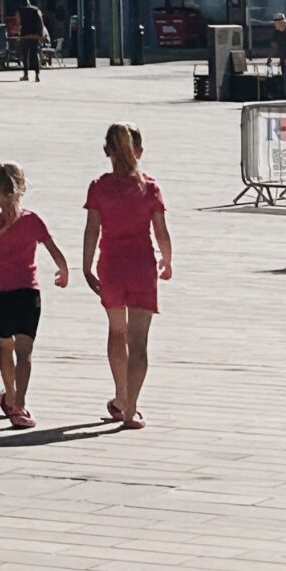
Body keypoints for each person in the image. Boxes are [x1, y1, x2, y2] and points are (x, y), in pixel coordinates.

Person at [0, 162, 69, 429]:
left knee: (5, 345)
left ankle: (10, 396)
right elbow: (54, 250)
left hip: (1, 293)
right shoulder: (32, 220)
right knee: (25, 351)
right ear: (22, 188)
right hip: (29, 293)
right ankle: (19, 405)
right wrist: (63, 271)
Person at [82, 122, 173, 429]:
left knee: (116, 333)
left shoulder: (99, 187)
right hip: (142, 268)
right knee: (139, 342)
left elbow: (92, 229)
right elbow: (161, 232)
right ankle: (131, 408)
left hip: (111, 266)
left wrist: (85, 266)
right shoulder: (150, 187)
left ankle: (120, 396)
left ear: (107, 152)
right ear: (140, 151)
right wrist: (167, 261)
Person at [16, 0, 48, 82]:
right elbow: (41, 23)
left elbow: (18, 22)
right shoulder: (36, 10)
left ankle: (26, 75)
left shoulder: (20, 11)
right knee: (35, 55)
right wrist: (41, 34)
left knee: (25, 56)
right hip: (35, 35)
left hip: (25, 35)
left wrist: (18, 33)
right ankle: (37, 75)